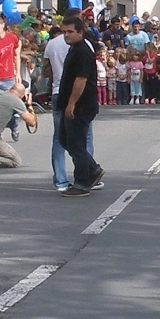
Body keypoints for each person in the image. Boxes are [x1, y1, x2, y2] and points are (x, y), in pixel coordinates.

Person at [56, 17, 104, 197]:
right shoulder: (74, 49)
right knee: (65, 140)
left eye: (70, 32)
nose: (66, 35)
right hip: (71, 102)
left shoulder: (83, 51)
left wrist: (71, 104)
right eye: (64, 32)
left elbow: (81, 79)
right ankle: (92, 169)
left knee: (76, 144)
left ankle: (82, 183)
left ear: (80, 32)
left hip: (81, 105)